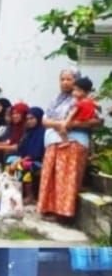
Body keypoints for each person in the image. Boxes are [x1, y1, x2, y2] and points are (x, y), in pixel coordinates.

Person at [38, 68, 102, 223]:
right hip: (54, 143)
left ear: (77, 82)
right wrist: (60, 123)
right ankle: (48, 209)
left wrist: (72, 123)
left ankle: (63, 214)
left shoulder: (83, 99)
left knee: (65, 180)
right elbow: (44, 120)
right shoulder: (56, 100)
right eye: (62, 79)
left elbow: (98, 121)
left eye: (69, 79)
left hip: (73, 143)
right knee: (51, 178)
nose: (65, 83)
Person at [5, 107, 46, 204]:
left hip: (39, 161)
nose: (29, 121)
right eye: (27, 119)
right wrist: (18, 158)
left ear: (39, 118)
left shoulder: (42, 132)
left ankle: (29, 195)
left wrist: (20, 160)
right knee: (10, 159)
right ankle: (15, 191)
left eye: (32, 118)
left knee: (23, 165)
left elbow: (37, 154)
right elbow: (21, 149)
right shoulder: (28, 132)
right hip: (27, 158)